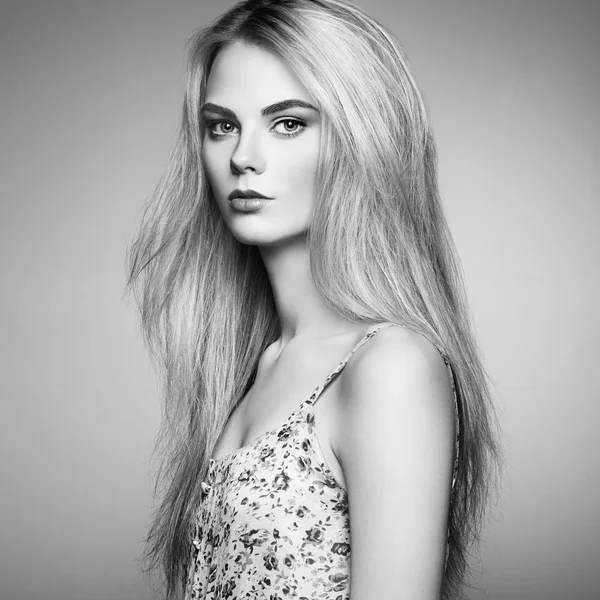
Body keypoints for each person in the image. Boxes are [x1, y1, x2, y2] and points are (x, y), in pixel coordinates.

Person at [127, 0, 501, 598]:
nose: (242, 157)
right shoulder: (258, 366)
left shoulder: (389, 367)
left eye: (289, 123)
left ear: (363, 140)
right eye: (222, 125)